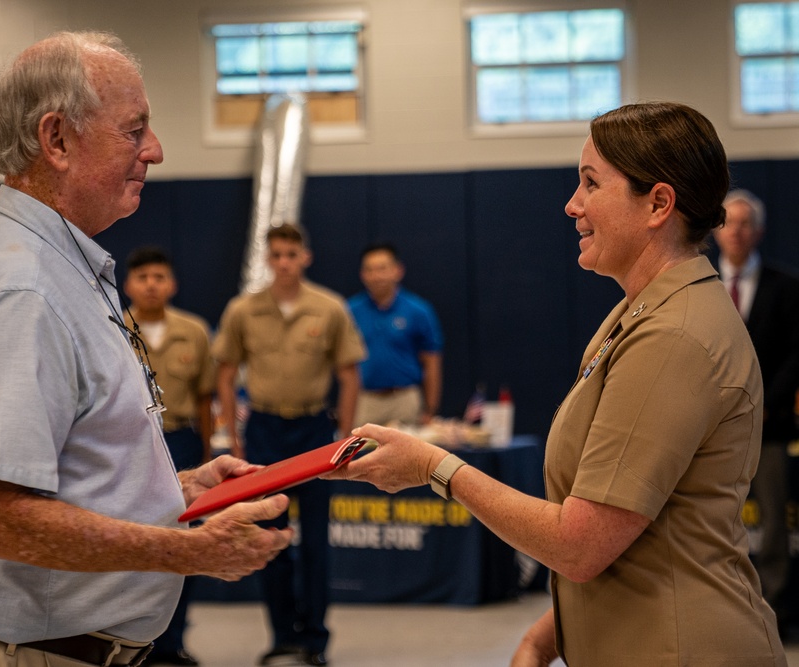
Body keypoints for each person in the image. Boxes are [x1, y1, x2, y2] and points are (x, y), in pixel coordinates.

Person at [328, 102, 788, 665]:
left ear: (659, 204)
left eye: (591, 184)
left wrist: (435, 467)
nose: (573, 205)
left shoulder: (674, 337)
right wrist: (548, 633)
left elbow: (582, 543)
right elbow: (649, 529)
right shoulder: (641, 313)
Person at [0, 31, 292, 667]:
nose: (156, 151)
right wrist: (188, 551)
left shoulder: (52, 262)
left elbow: (69, 471)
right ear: (56, 140)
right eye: (133, 130)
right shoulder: (23, 287)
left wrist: (179, 492)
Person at [212, 223, 366, 666]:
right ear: (267, 259)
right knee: (270, 538)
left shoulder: (329, 307)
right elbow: (225, 374)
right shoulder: (243, 310)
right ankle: (282, 635)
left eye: (291, 254)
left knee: (316, 543)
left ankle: (315, 640)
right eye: (276, 255)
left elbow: (349, 374)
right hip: (264, 430)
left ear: (305, 257)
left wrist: (346, 440)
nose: (284, 263)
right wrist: (236, 439)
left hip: (314, 431)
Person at [123, 246, 215, 667]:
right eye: (143, 277)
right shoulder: (113, 326)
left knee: (182, 542)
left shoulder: (194, 331)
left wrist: (207, 451)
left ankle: (173, 641)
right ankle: (129, 642)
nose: (151, 284)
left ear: (172, 284)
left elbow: (204, 396)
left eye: (159, 277)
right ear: (129, 285)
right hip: (128, 445)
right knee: (129, 541)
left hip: (181, 443)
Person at [713, 189, 799, 630]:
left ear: (759, 231)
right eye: (729, 222)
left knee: (773, 524)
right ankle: (729, 613)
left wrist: (764, 406)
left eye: (746, 223)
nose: (737, 231)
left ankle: (778, 611)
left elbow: (795, 357)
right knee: (715, 525)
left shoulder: (786, 287)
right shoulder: (698, 288)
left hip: (770, 429)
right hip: (710, 435)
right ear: (715, 229)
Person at [348, 243, 443, 426]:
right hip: (365, 400)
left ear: (398, 271)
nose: (376, 276)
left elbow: (432, 362)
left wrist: (430, 409)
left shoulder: (418, 311)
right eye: (370, 270)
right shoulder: (350, 311)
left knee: (408, 454)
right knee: (363, 454)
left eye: (382, 268)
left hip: (404, 399)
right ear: (362, 274)